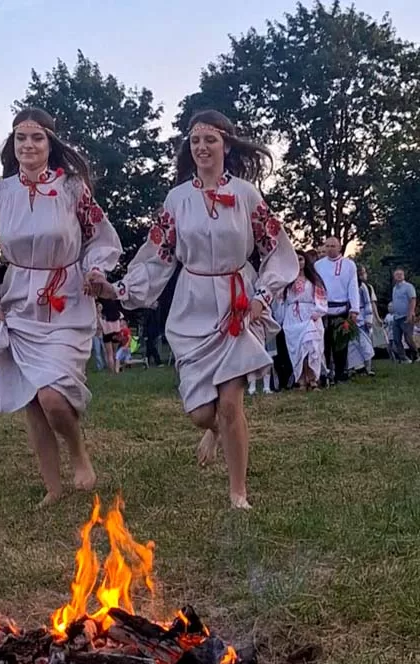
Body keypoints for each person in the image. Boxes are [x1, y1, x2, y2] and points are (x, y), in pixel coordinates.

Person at [90, 109, 298, 509]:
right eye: (196, 141)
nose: (202, 147)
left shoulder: (247, 195)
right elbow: (158, 256)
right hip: (193, 304)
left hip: (237, 301)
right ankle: (212, 430)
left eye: (210, 140)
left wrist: (263, 296)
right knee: (202, 412)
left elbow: (277, 249)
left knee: (231, 404)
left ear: (226, 146)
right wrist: (117, 289)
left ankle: (238, 493)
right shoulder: (178, 199)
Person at [0, 107, 121, 506]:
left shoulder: (72, 189)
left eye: (37, 138)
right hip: (19, 302)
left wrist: (95, 271)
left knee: (52, 396)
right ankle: (52, 487)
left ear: (50, 143)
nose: (28, 145)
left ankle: (78, 453)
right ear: (12, 144)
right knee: (32, 399)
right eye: (21, 138)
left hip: (67, 300)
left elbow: (100, 236)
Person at [278, 250, 327, 390]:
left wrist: (318, 312)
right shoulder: (286, 280)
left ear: (305, 261)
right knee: (298, 349)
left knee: (311, 346)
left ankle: (313, 379)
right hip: (292, 317)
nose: (298, 262)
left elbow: (322, 298)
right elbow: (280, 300)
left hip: (309, 314)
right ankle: (300, 380)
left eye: (301, 259)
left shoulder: (314, 280)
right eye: (296, 259)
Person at [315, 237, 360, 384]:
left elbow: (353, 287)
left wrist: (354, 309)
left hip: (342, 310)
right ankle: (324, 374)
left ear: (339, 247)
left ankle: (340, 373)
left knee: (340, 344)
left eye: (333, 246)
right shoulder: (318, 265)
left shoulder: (349, 265)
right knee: (324, 344)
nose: (330, 249)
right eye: (327, 246)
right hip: (323, 310)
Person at [348, 272, 375, 375]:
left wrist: (368, 318)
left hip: (362, 318)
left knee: (365, 344)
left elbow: (368, 303)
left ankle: (368, 368)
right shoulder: (347, 284)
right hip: (349, 318)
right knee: (352, 345)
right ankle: (356, 368)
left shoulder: (362, 286)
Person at [391, 269, 417, 363]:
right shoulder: (394, 288)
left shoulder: (408, 287)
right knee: (396, 339)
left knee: (408, 338)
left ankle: (416, 355)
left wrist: (410, 314)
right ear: (394, 277)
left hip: (406, 316)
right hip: (396, 317)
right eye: (397, 274)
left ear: (403, 276)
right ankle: (403, 358)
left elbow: (413, 300)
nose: (399, 276)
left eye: (400, 274)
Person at [99, 298, 122, 374]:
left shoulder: (102, 302)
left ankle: (111, 371)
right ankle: (117, 369)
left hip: (107, 329)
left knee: (109, 353)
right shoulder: (115, 303)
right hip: (116, 329)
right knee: (116, 351)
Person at [91, 302, 106, 370]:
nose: (100, 308)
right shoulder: (93, 316)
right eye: (99, 307)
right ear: (96, 308)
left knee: (105, 350)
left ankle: (106, 364)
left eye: (101, 307)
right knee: (97, 351)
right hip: (95, 335)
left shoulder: (103, 316)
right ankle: (100, 366)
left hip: (102, 334)